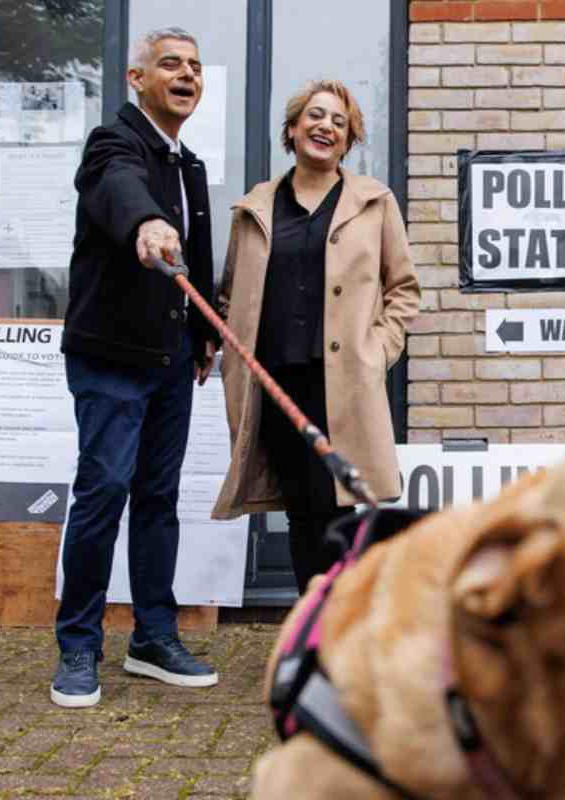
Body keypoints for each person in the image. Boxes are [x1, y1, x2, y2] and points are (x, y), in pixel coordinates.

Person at [53, 26, 221, 708]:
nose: (187, 75)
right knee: (105, 491)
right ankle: (78, 646)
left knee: (158, 498)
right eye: (171, 64)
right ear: (138, 79)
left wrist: (206, 328)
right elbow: (120, 190)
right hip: (111, 356)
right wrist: (148, 225)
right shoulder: (113, 144)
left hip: (173, 356)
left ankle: (152, 636)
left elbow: (199, 260)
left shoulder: (192, 166)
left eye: (195, 67)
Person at [212, 80, 420, 594]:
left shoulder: (374, 202)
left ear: (348, 142)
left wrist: (378, 352)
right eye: (315, 116)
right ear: (292, 128)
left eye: (339, 122)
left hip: (344, 383)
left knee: (341, 510)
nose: (326, 126)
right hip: (278, 384)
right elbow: (230, 295)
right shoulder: (255, 210)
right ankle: (314, 628)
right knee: (303, 513)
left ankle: (344, 630)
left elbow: (405, 289)